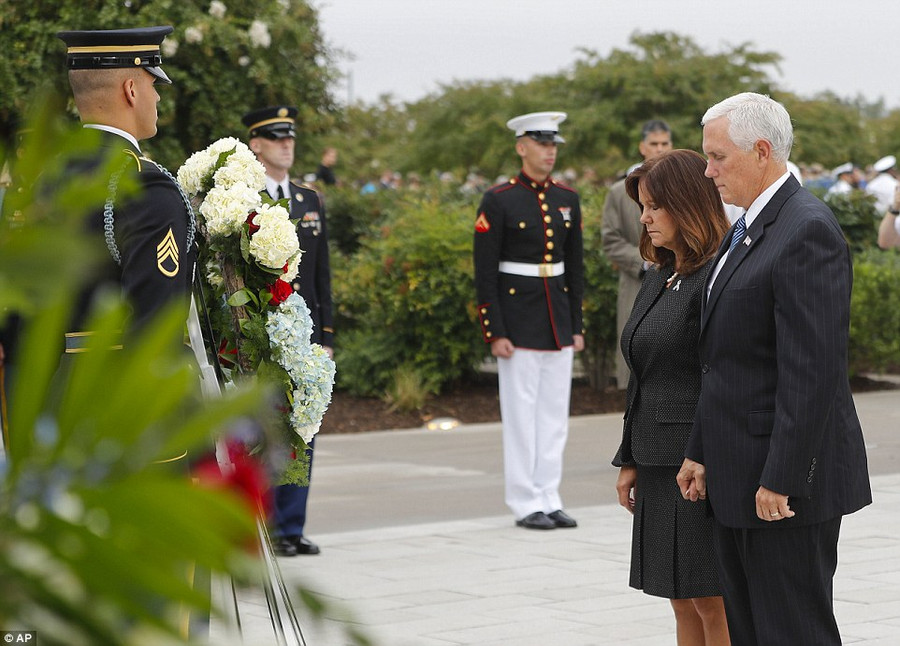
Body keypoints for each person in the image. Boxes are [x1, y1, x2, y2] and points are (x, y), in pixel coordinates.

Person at [677, 92, 872, 646]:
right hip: (738, 469)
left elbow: (812, 371)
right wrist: (700, 449)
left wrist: (782, 476)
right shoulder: (748, 227)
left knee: (793, 630)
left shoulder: (805, 228)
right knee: (752, 631)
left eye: (717, 157)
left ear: (762, 151)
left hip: (780, 485)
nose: (707, 171)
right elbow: (726, 360)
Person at [613, 150, 731, 645]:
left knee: (712, 598)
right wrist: (630, 457)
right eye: (642, 206)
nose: (644, 218)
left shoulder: (716, 275)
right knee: (679, 596)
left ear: (687, 204)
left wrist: (701, 454)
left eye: (655, 206)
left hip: (696, 461)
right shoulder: (661, 272)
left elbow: (721, 376)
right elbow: (643, 373)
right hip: (657, 458)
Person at [473, 111, 584, 530]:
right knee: (521, 415)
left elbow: (574, 267)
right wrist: (495, 330)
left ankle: (549, 495)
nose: (549, 151)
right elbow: (485, 272)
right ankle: (524, 501)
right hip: (517, 320)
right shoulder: (499, 199)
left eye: (553, 144)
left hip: (556, 316)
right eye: (541, 143)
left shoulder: (567, 198)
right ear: (522, 146)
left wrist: (576, 325)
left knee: (554, 415)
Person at [55, 26, 196, 346]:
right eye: (153, 83)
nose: (158, 96)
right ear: (131, 89)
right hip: (118, 392)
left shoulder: (44, 179)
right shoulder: (146, 188)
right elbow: (154, 337)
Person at [242, 105, 334, 557]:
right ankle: (261, 525)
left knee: (302, 425)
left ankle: (291, 528)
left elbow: (321, 275)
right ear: (256, 144)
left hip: (303, 332)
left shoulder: (309, 199)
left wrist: (327, 334)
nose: (287, 144)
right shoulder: (241, 198)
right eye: (277, 137)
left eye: (291, 137)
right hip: (258, 332)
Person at [601, 120, 672, 389]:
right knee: (635, 359)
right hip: (636, 283)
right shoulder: (620, 192)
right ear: (642, 147)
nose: (660, 149)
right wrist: (643, 260)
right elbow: (610, 239)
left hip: (678, 279)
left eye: (665, 143)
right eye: (654, 144)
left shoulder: (681, 188)